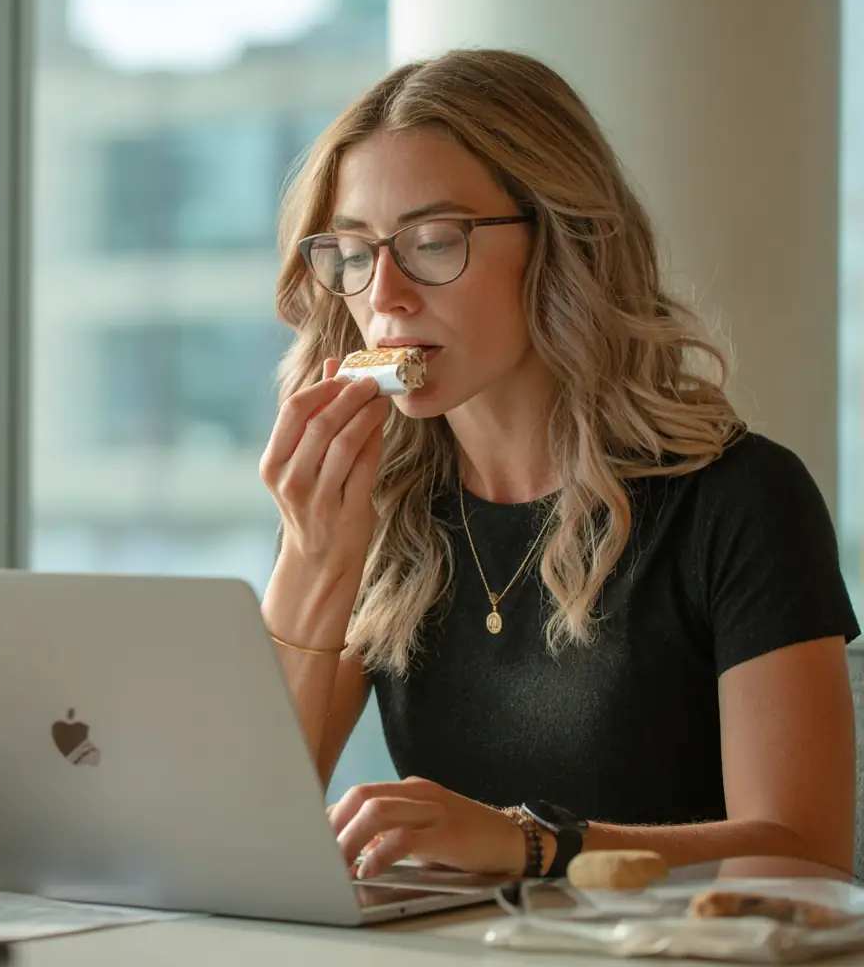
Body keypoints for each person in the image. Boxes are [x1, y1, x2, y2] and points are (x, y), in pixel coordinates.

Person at [258, 48, 860, 882]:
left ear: (560, 241)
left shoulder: (741, 499)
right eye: (355, 254)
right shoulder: (380, 513)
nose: (385, 294)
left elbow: (806, 853)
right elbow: (240, 825)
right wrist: (312, 556)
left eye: (434, 242)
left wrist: (531, 844)